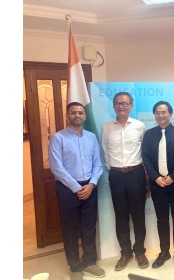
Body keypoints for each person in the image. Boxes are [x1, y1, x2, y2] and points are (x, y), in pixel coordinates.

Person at [48, 102, 105, 280]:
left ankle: (89, 262)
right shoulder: (58, 138)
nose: (77, 115)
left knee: (89, 227)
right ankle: (75, 267)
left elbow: (98, 163)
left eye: (80, 112)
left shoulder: (91, 137)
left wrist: (92, 184)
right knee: (70, 229)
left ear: (85, 116)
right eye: (73, 113)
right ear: (68, 115)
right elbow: (57, 168)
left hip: (90, 187)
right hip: (67, 190)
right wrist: (76, 188)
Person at [101, 92, 149, 271]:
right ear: (113, 106)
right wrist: (112, 168)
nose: (121, 106)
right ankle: (126, 253)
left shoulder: (139, 126)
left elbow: (144, 151)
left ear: (131, 105)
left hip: (136, 174)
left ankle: (140, 251)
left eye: (124, 103)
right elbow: (106, 150)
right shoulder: (106, 127)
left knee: (138, 215)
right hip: (116, 176)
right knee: (121, 216)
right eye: (117, 103)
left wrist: (145, 178)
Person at [142, 101, 174, 268]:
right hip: (158, 185)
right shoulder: (148, 135)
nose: (161, 115)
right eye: (157, 112)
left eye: (164, 112)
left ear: (170, 114)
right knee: (161, 220)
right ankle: (164, 252)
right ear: (154, 115)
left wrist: (173, 177)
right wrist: (155, 177)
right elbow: (145, 158)